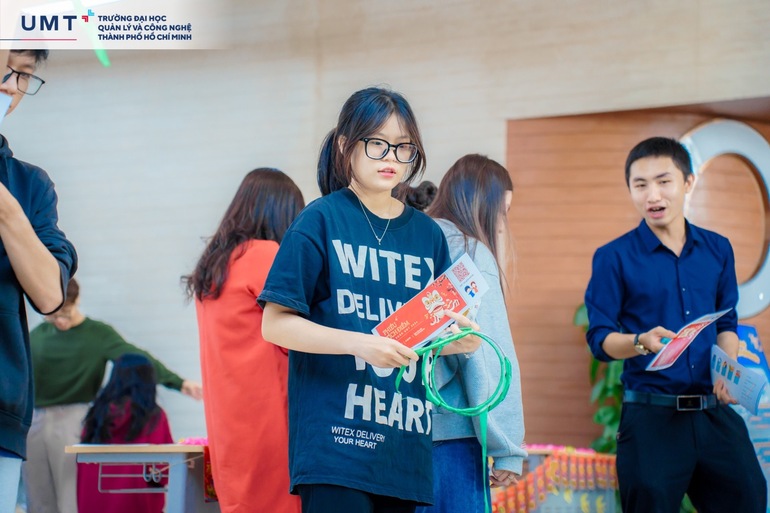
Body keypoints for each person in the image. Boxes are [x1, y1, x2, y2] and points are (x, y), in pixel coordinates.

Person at [258, 86, 482, 513]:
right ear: (346, 146)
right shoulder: (320, 219)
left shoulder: (428, 235)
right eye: (378, 143)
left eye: (403, 147)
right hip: (335, 443)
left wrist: (455, 341)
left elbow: (424, 337)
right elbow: (275, 323)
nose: (391, 158)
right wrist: (360, 343)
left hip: (403, 446)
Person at [584, 137, 767, 513]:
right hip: (651, 420)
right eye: (640, 184)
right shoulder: (613, 257)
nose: (653, 195)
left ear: (688, 182)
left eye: (663, 181)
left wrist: (728, 368)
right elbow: (599, 339)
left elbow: (727, 321)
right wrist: (640, 341)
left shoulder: (718, 249)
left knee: (751, 493)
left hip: (713, 413)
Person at [24, 277, 202, 513]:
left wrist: (179, 383)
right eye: (52, 316)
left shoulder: (97, 334)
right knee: (37, 495)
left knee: (70, 496)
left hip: (72, 417)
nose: (60, 321)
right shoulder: (38, 335)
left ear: (78, 300)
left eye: (65, 313)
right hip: (34, 420)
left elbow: (137, 360)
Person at [185, 167, 305, 513]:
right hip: (271, 412)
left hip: (228, 418)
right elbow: (299, 333)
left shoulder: (215, 264)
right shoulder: (265, 254)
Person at [417, 154, 526, 513]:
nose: (501, 224)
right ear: (483, 206)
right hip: (450, 438)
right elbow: (490, 357)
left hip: (396, 428)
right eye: (501, 211)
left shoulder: (414, 239)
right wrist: (507, 447)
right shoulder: (470, 252)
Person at [0, 49, 78, 513]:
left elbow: (50, 294)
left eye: (24, 75)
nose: (11, 86)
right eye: (4, 67)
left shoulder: (29, 185)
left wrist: (7, 210)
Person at [77, 353, 173, 513]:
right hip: (138, 505)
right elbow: (163, 470)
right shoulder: (153, 417)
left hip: (94, 504)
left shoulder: (96, 415)